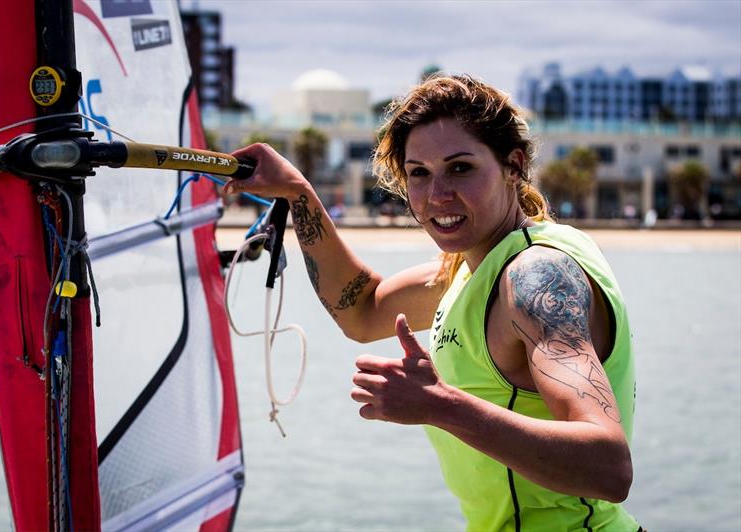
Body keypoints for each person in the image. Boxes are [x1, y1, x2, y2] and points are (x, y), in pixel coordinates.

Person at [224, 74, 640, 531]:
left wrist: (441, 405)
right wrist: (297, 193)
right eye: (419, 173)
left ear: (513, 165)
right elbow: (362, 309)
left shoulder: (533, 276)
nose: (437, 194)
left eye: (460, 167)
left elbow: (608, 466)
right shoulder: (477, 267)